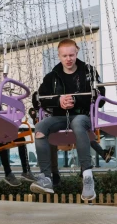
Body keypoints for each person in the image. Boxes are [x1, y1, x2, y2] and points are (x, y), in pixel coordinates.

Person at [29, 38, 105, 201]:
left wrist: (76, 100)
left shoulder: (88, 72)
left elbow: (101, 97)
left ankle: (87, 176)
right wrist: (58, 101)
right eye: (64, 56)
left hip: (82, 116)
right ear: (59, 56)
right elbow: (38, 99)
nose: (68, 59)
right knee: (40, 127)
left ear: (77, 52)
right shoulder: (52, 76)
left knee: (78, 123)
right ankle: (46, 177)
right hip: (59, 117)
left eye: (71, 55)